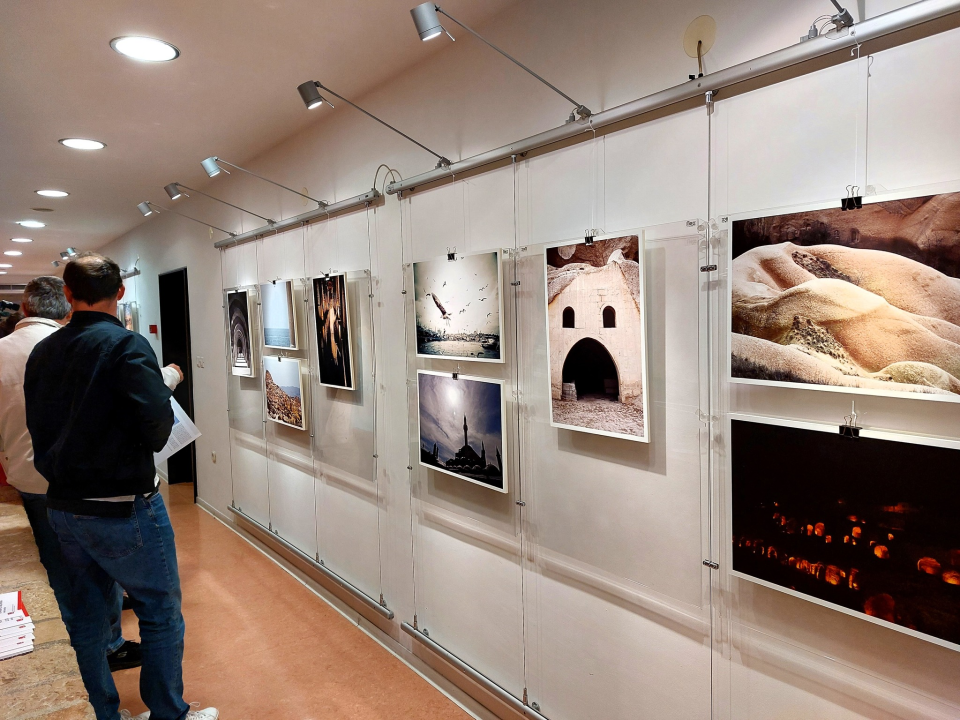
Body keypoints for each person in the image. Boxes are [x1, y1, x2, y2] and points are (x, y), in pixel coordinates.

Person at [24, 253, 217, 720]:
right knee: (159, 611)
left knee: (87, 618)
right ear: (121, 292)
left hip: (63, 508)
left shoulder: (43, 351)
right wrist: (162, 385)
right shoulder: (126, 346)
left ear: (67, 294)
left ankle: (105, 714)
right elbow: (156, 429)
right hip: (123, 507)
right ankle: (169, 714)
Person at [0, 277, 140, 672]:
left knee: (58, 570)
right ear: (65, 304)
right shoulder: (82, 349)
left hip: (28, 479)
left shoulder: (3, 352)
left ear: (25, 308)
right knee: (100, 567)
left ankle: (77, 649)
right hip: (83, 481)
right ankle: (107, 644)